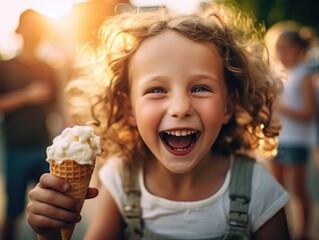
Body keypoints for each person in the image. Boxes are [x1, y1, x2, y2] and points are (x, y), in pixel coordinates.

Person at [27, 2, 291, 239]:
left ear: (227, 106)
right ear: (129, 109)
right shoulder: (121, 180)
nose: (180, 108)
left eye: (200, 88)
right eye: (156, 90)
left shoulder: (258, 188)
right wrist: (50, 235)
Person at [0, 9, 60, 240]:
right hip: (16, 149)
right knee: (12, 212)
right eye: (31, 30)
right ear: (21, 32)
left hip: (44, 149)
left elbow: (57, 109)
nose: (35, 35)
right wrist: (28, 95)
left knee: (53, 211)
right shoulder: (5, 67)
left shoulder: (48, 68)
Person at [269, 30, 316, 240]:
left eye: (285, 48)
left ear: (298, 49)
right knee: (276, 192)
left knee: (297, 190)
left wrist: (281, 108)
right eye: (278, 48)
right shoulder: (279, 74)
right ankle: (282, 231)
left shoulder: (304, 75)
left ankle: (303, 232)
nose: (280, 53)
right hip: (277, 140)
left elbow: (309, 113)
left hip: (296, 141)